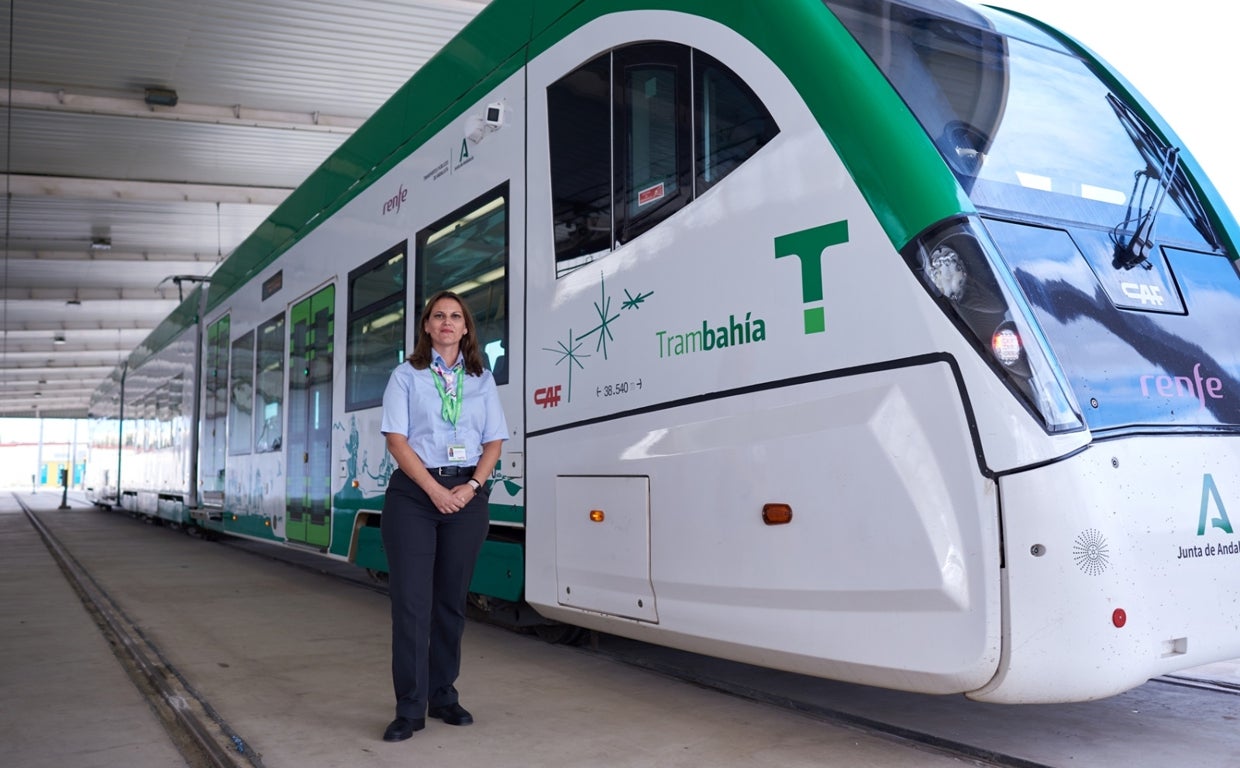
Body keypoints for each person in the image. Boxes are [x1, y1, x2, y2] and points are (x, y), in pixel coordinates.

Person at [378, 290, 508, 743]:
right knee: (412, 605)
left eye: (456, 316)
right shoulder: (406, 376)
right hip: (415, 496)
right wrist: (434, 490)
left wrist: (471, 488)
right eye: (439, 316)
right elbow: (397, 440)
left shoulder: (481, 380)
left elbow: (493, 441)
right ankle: (409, 707)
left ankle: (443, 695)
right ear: (428, 327)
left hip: (465, 494)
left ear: (466, 328)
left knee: (451, 602)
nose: (448, 322)